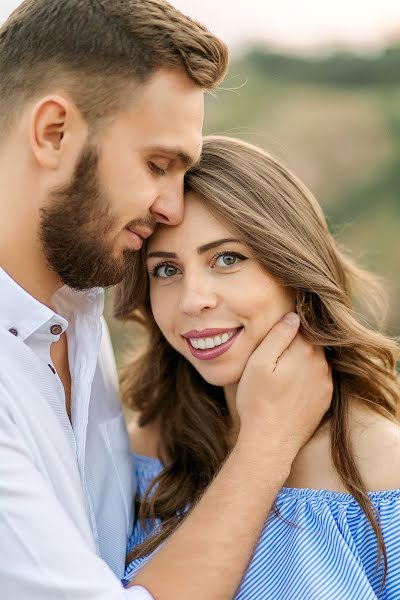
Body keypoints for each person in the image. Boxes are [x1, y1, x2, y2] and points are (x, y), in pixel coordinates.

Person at [0, 2, 332, 599]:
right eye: (158, 164)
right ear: (54, 132)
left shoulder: (79, 308)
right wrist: (265, 445)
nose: (171, 209)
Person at [115, 136, 400, 599]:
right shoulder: (144, 453)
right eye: (166, 270)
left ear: (293, 267)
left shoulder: (386, 475)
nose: (193, 301)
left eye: (228, 259)